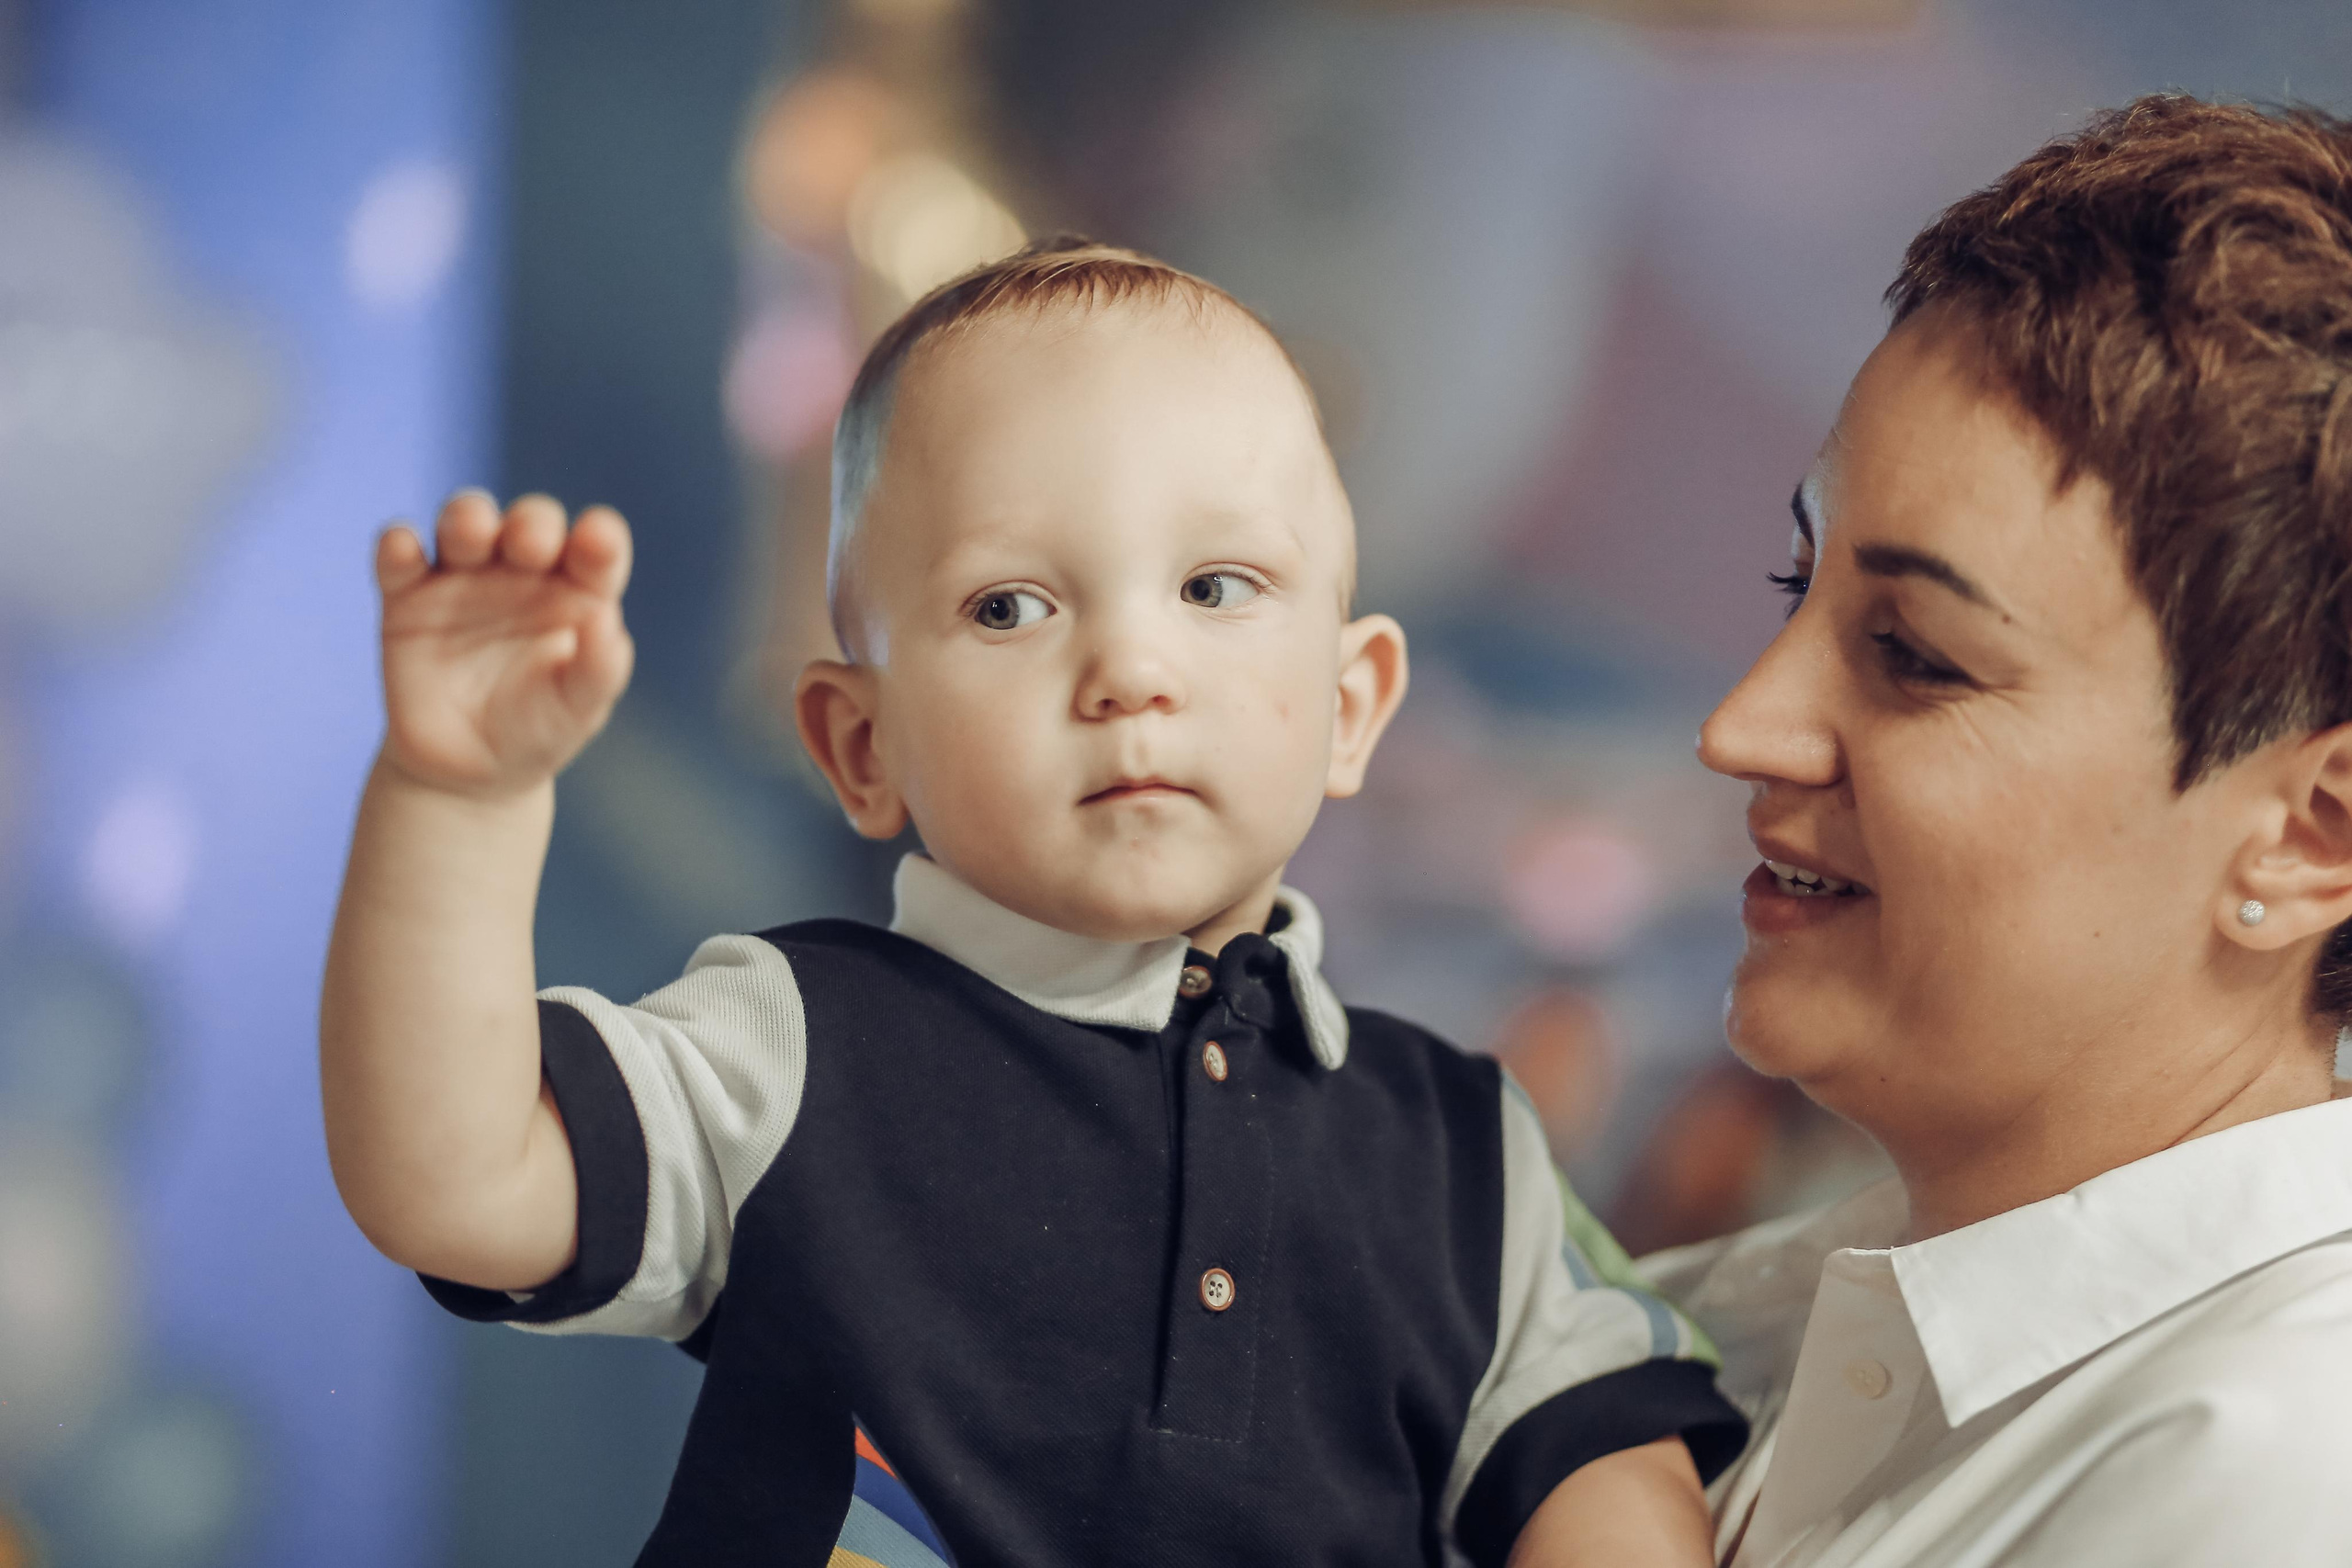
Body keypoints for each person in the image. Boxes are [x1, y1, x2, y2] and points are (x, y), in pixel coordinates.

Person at [318, 239, 1746, 1567]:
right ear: (860, 746)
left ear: (1352, 704)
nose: (1131, 670)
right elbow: (458, 1181)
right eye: (1009, 607)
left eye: (1216, 585)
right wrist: (459, 798)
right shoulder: (801, 1043)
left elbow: (1609, 1454)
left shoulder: (1465, 1152)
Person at [1643, 95, 2352, 1566]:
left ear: (2313, 834)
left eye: (1917, 655)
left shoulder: (2279, 1477)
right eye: (1797, 587)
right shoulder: (1739, 1319)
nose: (1742, 725)